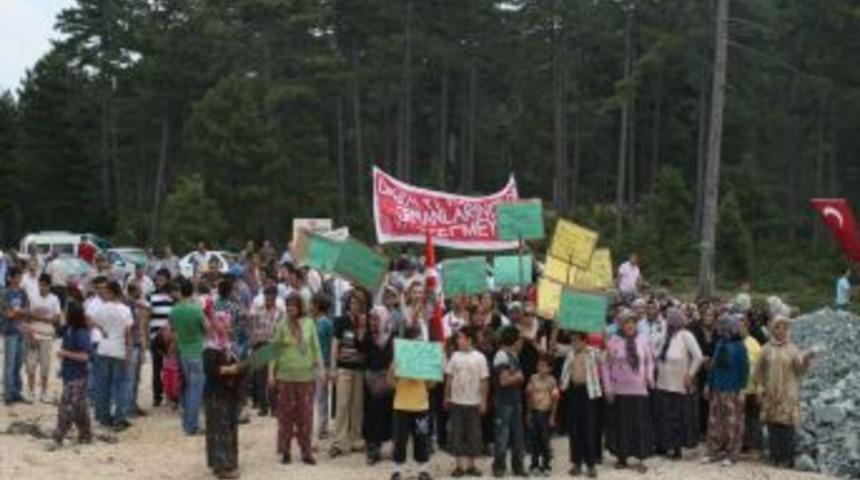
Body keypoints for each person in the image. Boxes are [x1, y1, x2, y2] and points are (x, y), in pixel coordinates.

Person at [752, 316, 815, 468]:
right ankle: (775, 457)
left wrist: (806, 359)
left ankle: (787, 459)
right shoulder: (766, 349)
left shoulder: (793, 349)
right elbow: (757, 372)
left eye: (785, 328)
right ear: (772, 329)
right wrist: (759, 389)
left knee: (787, 427)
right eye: (778, 327)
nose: (781, 331)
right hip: (772, 393)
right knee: (773, 425)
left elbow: (800, 370)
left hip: (788, 393)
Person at [270, 292, 322, 465]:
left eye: (293, 305)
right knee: (285, 415)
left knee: (305, 415)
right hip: (285, 376)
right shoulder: (282, 324)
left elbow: (316, 348)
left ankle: (306, 451)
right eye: (288, 305)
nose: (290, 308)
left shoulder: (309, 323)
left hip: (306, 377)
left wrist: (321, 369)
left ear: (300, 307)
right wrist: (271, 374)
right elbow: (274, 351)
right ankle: (285, 451)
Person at [602, 314, 654, 473]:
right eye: (626, 323)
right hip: (620, 390)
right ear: (621, 326)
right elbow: (605, 365)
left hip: (639, 389)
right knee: (621, 425)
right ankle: (621, 457)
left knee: (639, 425)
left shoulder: (643, 340)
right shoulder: (613, 341)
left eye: (632, 322)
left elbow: (649, 361)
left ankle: (640, 457)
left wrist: (649, 377)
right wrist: (608, 388)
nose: (630, 325)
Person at [653, 308, 704, 459]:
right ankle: (664, 444)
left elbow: (698, 357)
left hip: (678, 383)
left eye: (673, 319)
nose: (670, 322)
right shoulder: (665, 335)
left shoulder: (686, 335)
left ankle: (677, 448)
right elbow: (656, 352)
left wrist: (690, 374)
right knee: (664, 415)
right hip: (663, 382)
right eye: (669, 319)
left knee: (677, 416)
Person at [701, 314, 749, 467]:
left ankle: (732, 454)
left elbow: (745, 370)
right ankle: (713, 451)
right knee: (715, 422)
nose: (722, 330)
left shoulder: (740, 346)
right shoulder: (719, 343)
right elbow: (713, 367)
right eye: (721, 327)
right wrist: (708, 384)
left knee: (732, 423)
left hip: (733, 390)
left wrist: (742, 389)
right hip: (717, 389)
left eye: (725, 327)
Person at [388, 326, 435, 480]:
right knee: (400, 439)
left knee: (421, 439)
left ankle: (423, 470)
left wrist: (434, 372)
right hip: (401, 405)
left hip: (421, 406)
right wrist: (396, 373)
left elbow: (430, 385)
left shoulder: (426, 357)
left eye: (421, 340)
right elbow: (390, 381)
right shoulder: (399, 357)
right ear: (408, 342)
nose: (419, 343)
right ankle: (397, 470)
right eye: (416, 340)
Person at [203, 309, 243, 479]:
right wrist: (229, 369)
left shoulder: (227, 345)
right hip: (215, 394)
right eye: (223, 322)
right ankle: (222, 467)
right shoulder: (210, 346)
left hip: (229, 392)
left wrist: (239, 369)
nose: (227, 326)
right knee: (219, 429)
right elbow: (209, 369)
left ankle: (228, 461)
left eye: (227, 323)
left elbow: (236, 366)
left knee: (228, 427)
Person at [444, 326, 489, 478]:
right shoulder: (455, 356)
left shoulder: (480, 357)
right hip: (456, 402)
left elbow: (484, 381)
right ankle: (458, 466)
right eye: (458, 338)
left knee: (473, 434)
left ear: (469, 339)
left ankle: (471, 465)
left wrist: (483, 401)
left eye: (461, 337)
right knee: (456, 433)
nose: (458, 340)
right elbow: (449, 378)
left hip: (474, 402)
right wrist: (446, 396)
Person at [329, 290, 368, 458]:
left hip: (359, 369)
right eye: (353, 303)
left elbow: (364, 346)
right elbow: (335, 345)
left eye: (359, 304)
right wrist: (333, 368)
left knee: (357, 406)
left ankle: (355, 440)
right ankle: (339, 442)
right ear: (348, 304)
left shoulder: (364, 323)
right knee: (342, 405)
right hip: (344, 367)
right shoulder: (340, 321)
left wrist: (362, 328)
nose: (355, 307)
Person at [560, 331, 603, 478]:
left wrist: (605, 336)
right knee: (574, 428)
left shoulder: (593, 352)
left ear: (585, 341)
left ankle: (591, 465)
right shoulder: (570, 352)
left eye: (576, 341)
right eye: (572, 341)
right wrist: (555, 329)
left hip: (588, 392)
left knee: (588, 428)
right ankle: (577, 463)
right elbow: (553, 348)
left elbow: (608, 357)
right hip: (573, 391)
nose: (574, 343)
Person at [92, 281, 133, 430]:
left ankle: (103, 417)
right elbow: (127, 333)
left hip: (104, 348)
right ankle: (119, 418)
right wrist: (128, 352)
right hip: (119, 350)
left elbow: (90, 320)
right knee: (120, 386)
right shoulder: (125, 310)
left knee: (103, 385)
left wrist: (101, 329)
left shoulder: (102, 309)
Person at [51, 301, 92, 448]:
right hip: (69, 373)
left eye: (66, 310)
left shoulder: (81, 332)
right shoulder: (69, 328)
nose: (64, 313)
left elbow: (85, 356)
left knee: (66, 406)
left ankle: (59, 436)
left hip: (78, 376)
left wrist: (65, 353)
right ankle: (86, 434)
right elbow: (54, 332)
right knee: (79, 406)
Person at [171, 277, 207, 435]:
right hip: (197, 351)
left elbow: (174, 332)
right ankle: (192, 426)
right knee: (196, 390)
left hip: (183, 352)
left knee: (186, 389)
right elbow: (207, 328)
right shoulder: (196, 309)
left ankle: (186, 423)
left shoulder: (174, 310)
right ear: (191, 292)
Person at [492, 326, 528, 478]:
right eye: (519, 339)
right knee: (502, 436)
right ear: (513, 340)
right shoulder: (501, 355)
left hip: (515, 401)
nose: (521, 342)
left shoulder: (513, 355)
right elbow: (504, 381)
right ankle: (499, 466)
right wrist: (519, 377)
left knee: (518, 436)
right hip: (504, 402)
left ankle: (517, 466)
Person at [362, 306, 395, 465]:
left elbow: (396, 359)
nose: (373, 322)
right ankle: (373, 449)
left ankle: (391, 447)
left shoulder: (393, 337)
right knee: (372, 415)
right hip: (371, 383)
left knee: (388, 414)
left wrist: (387, 378)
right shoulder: (368, 337)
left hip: (388, 382)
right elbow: (364, 357)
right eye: (372, 319)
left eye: (377, 319)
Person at [25, 273, 62, 403]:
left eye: (44, 285)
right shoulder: (33, 297)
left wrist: (39, 317)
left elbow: (56, 319)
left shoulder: (54, 299)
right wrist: (30, 334)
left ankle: (44, 392)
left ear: (49, 285)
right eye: (40, 285)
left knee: (45, 366)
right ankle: (31, 391)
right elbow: (28, 317)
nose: (42, 287)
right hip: (34, 333)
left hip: (47, 336)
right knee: (31, 365)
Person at [249, 285, 282, 416]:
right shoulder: (258, 311)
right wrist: (253, 344)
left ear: (275, 297)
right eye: (266, 296)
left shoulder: (280, 313)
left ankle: (274, 408)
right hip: (259, 345)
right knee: (260, 378)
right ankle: (263, 407)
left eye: (271, 296)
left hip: (272, 345)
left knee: (272, 377)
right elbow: (253, 328)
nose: (268, 298)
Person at [526, 355, 559, 476]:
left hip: (545, 413)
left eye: (543, 366)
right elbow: (529, 396)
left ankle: (546, 465)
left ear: (549, 368)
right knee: (534, 440)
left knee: (545, 440)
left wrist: (552, 416)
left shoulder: (552, 381)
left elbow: (555, 400)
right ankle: (534, 464)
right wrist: (528, 413)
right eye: (539, 365)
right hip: (535, 411)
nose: (540, 368)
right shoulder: (533, 378)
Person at [3, 267, 30, 405]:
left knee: (19, 364)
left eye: (20, 276)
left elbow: (27, 310)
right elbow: (8, 314)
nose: (19, 279)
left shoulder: (23, 292)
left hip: (21, 331)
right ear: (11, 278)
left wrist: (16, 312)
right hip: (10, 331)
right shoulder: (5, 294)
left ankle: (16, 392)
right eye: (17, 277)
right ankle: (8, 394)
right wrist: (18, 312)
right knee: (10, 364)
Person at [148, 269, 174, 408]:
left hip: (172, 340)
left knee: (172, 368)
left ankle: (173, 394)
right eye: (157, 280)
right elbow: (146, 318)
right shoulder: (150, 297)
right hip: (155, 338)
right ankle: (157, 396)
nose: (158, 283)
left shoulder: (173, 297)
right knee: (157, 368)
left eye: (162, 280)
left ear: (168, 280)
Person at [125, 283, 149, 418]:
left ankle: (132, 404)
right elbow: (131, 326)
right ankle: (129, 407)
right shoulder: (129, 307)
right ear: (133, 291)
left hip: (137, 344)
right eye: (140, 290)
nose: (141, 293)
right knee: (131, 378)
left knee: (135, 378)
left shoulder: (135, 306)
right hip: (133, 344)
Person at [739, 315, 763, 453]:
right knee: (740, 418)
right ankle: (743, 444)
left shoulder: (754, 344)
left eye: (742, 326)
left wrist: (760, 387)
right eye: (738, 327)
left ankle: (755, 445)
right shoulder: (733, 342)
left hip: (752, 388)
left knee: (753, 419)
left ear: (747, 327)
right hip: (738, 388)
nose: (740, 329)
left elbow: (760, 368)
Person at [312, 294, 334, 439]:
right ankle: (320, 425)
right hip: (314, 363)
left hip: (323, 365)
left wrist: (329, 367)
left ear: (318, 306)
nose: (310, 307)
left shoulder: (326, 323)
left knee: (322, 397)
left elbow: (330, 345)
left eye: (312, 304)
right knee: (317, 396)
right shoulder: (314, 322)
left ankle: (323, 427)